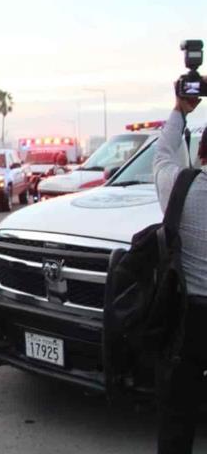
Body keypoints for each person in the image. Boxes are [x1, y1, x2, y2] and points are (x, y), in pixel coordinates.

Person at [152, 93, 207, 454]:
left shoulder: (182, 188)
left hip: (190, 318)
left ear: (202, 152)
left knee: (178, 410)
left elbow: (161, 156)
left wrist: (180, 109)